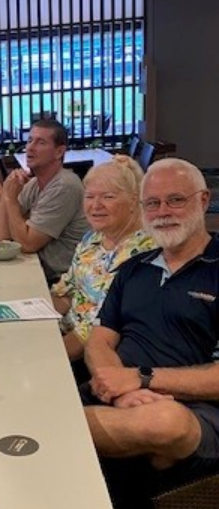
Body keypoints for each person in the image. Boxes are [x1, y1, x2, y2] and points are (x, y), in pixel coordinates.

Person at [81, 158, 219, 508]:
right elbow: (99, 341)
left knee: (166, 422)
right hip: (117, 392)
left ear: (203, 200)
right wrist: (118, 390)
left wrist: (141, 379)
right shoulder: (133, 269)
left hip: (195, 409)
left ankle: (47, 429)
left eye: (176, 199)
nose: (163, 212)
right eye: (152, 203)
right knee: (43, 383)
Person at [51, 155, 155, 365]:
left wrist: (50, 357)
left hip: (95, 357)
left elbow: (94, 330)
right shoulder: (93, 238)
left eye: (108, 197)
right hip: (62, 332)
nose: (95, 205)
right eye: (89, 197)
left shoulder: (144, 253)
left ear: (134, 201)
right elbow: (66, 291)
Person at [0, 118, 90, 283]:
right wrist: (6, 191)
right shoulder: (33, 184)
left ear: (59, 152)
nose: (30, 147)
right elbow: (3, 236)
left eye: (40, 142)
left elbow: (28, 244)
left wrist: (10, 199)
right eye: (30, 140)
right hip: (36, 270)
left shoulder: (64, 186)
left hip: (62, 281)